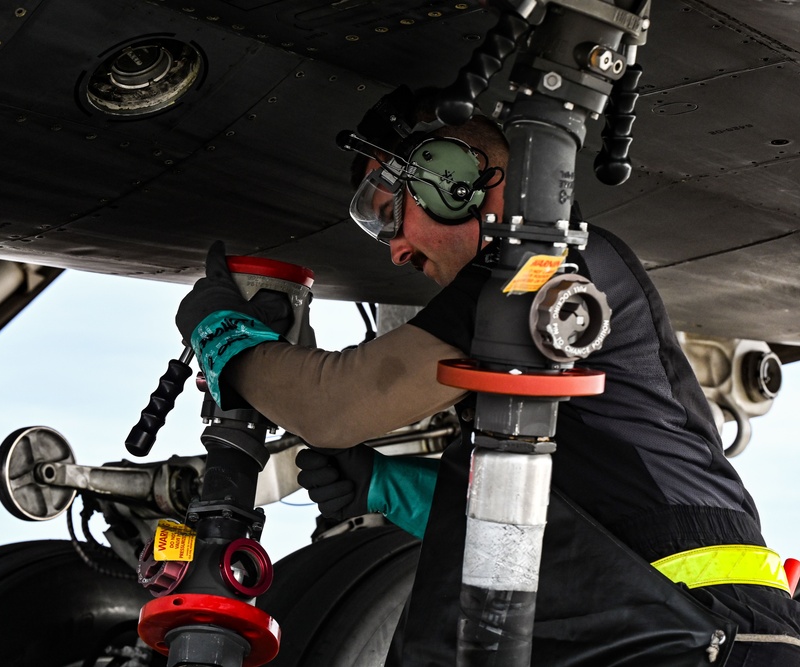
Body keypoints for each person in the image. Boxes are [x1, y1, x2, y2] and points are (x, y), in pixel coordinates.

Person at [175, 98, 800, 665]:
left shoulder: (552, 270)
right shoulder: (531, 313)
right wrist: (397, 490)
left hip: (686, 631)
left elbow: (338, 404)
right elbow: (559, 521)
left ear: (453, 178)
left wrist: (225, 341)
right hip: (671, 626)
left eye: (388, 213)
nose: (394, 251)